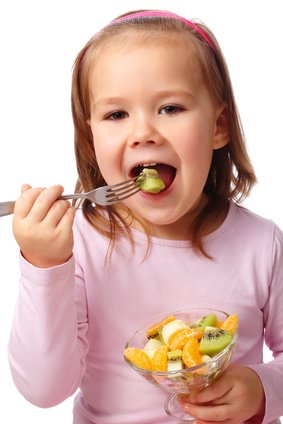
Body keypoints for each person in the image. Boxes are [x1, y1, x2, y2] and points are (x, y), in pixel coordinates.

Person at [8, 9, 283, 424]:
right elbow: (43, 391)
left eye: (170, 108)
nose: (143, 133)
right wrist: (45, 266)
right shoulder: (77, 245)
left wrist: (264, 389)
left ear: (218, 126)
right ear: (90, 136)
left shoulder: (262, 244)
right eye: (116, 115)